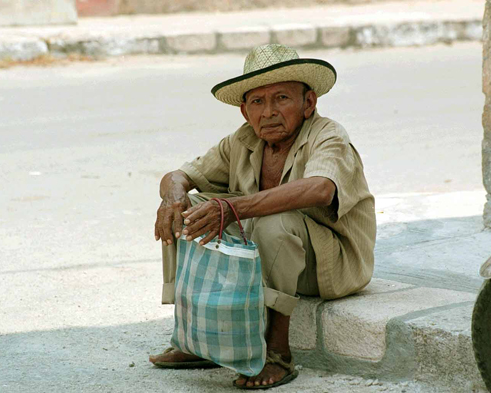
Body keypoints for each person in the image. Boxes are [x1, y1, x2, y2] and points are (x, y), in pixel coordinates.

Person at [150, 44, 376, 389]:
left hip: (331, 265)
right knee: (191, 209)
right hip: (269, 257)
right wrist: (173, 196)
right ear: (245, 111)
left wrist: (234, 208)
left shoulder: (328, 134)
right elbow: (180, 175)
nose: (268, 112)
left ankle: (277, 354)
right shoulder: (242, 140)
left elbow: (319, 189)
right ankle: (196, 338)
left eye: (282, 98)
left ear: (308, 103)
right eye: (258, 102)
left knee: (273, 222)